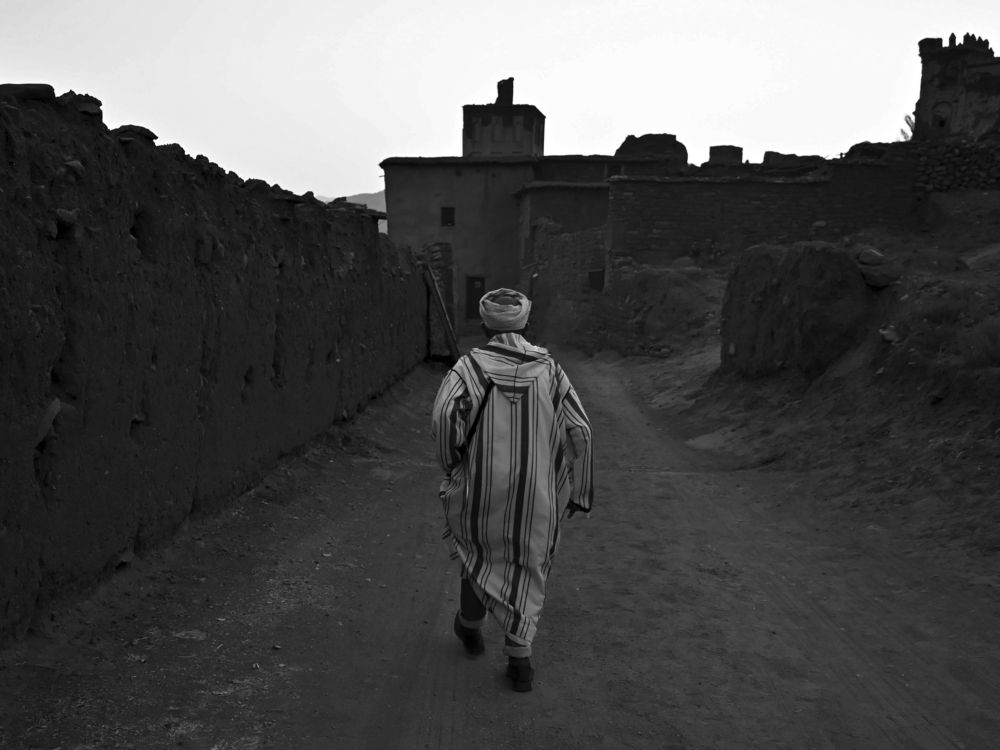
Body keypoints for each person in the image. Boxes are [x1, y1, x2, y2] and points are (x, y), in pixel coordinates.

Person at [430, 287, 594, 692]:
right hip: (537, 493)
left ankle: (470, 628)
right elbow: (581, 431)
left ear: (485, 325)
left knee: (477, 554)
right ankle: (520, 661)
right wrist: (580, 491)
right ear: (525, 322)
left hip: (480, 491)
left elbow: (445, 418)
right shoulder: (550, 370)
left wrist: (452, 464)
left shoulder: (468, 368)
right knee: (529, 563)